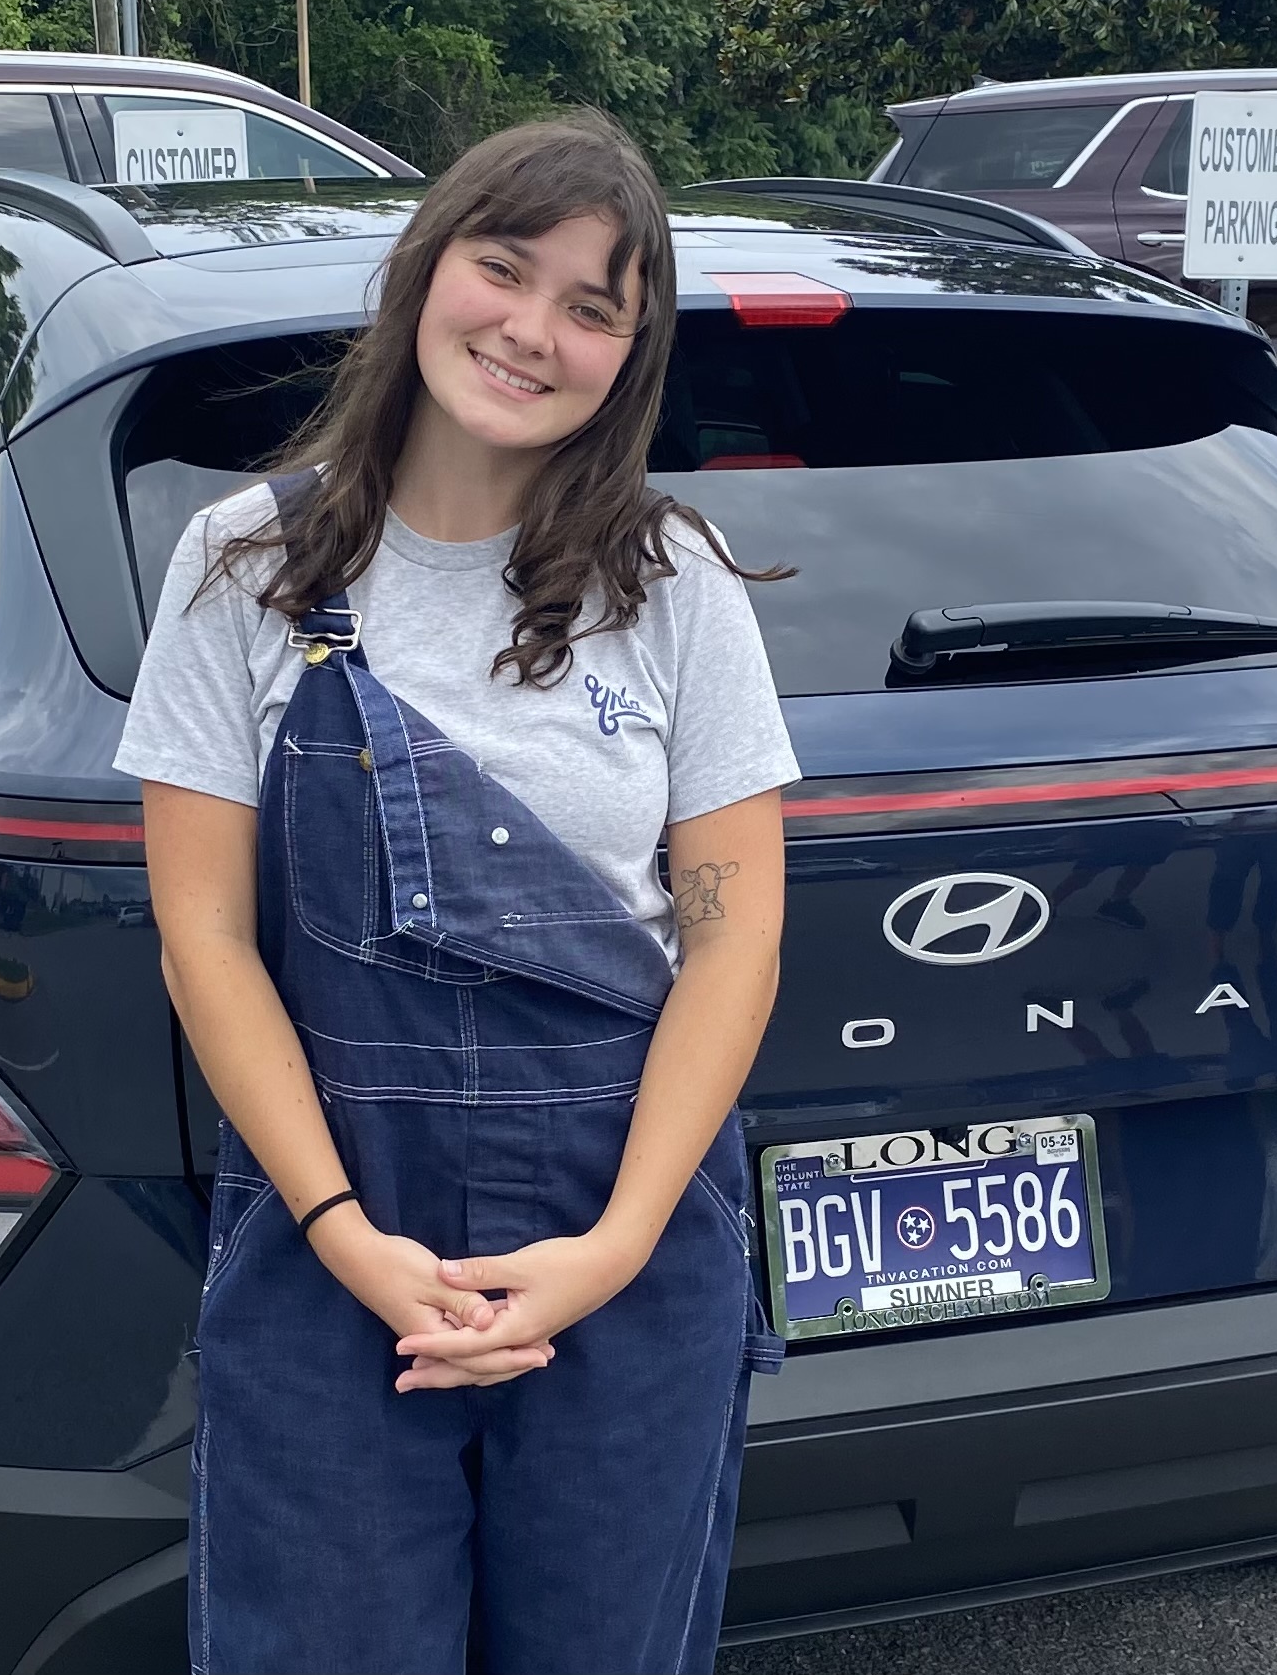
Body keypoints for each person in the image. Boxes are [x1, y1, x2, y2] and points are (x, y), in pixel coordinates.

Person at [114, 110, 798, 1675]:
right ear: (429, 268)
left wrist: (612, 1248)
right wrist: (345, 1233)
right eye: (506, 268)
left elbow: (734, 935)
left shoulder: (675, 585)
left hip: (622, 1232)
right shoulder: (243, 567)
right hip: (333, 1227)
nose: (533, 331)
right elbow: (205, 937)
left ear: (631, 354)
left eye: (592, 307)